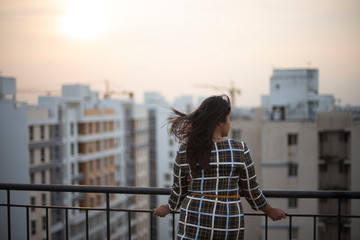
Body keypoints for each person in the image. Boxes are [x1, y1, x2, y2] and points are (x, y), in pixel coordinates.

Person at [154, 95, 286, 239]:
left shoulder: (185, 150)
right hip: (227, 222)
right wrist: (269, 210)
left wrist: (169, 207)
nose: (230, 123)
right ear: (219, 122)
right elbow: (251, 189)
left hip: (192, 222)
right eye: (229, 119)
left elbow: (179, 189)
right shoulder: (239, 149)